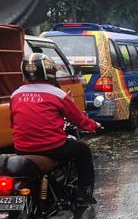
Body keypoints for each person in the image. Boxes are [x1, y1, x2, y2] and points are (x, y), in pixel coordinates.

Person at [10, 53, 100, 205]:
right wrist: (93, 125)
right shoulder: (57, 93)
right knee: (83, 150)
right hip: (51, 147)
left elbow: (13, 123)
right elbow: (78, 119)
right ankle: (83, 194)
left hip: (21, 148)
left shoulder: (16, 94)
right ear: (49, 71)